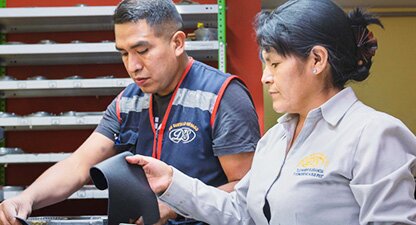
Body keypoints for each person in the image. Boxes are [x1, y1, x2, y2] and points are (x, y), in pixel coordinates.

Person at [124, 0, 416, 224]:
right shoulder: (275, 139)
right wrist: (171, 181)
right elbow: (240, 211)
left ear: (316, 59)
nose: (265, 77)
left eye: (274, 64)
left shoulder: (374, 134)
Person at [0, 0, 260, 224]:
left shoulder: (221, 96)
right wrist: (26, 199)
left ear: (178, 43)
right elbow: (78, 165)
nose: (132, 66)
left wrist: (175, 206)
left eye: (142, 50)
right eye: (123, 53)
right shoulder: (129, 102)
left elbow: (245, 189)